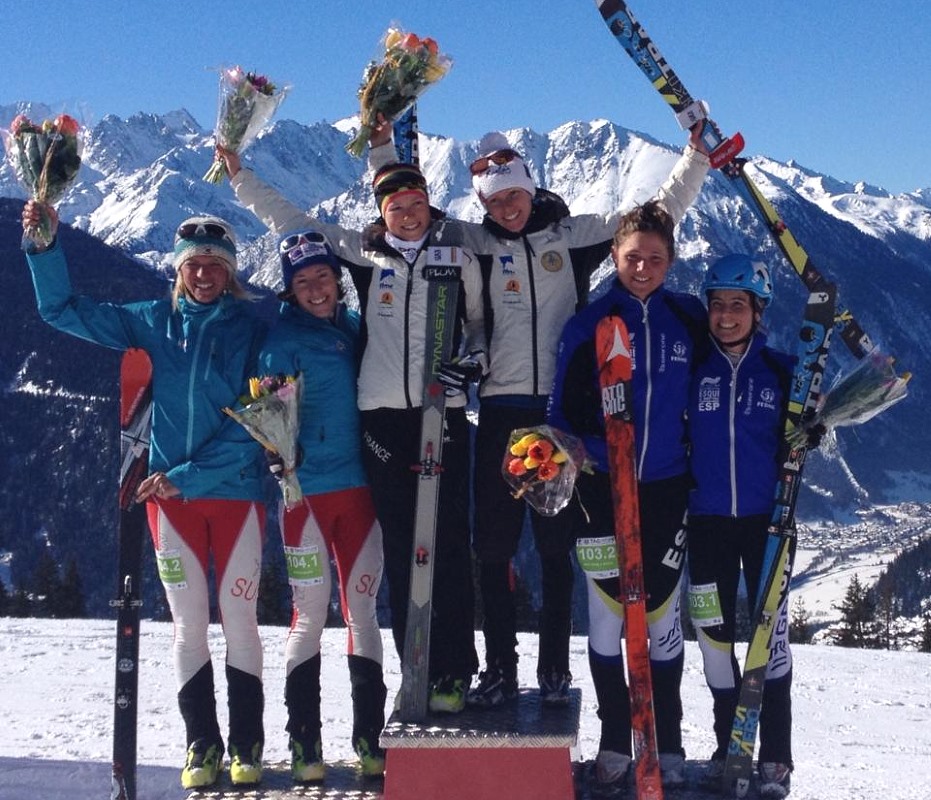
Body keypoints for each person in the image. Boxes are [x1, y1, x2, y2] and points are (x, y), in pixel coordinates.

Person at [368, 123, 709, 710]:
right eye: (495, 200)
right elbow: (403, 206)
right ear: (483, 203)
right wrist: (381, 145)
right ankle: (499, 666)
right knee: (493, 548)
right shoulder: (471, 242)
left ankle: (553, 667)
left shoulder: (572, 237)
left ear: (531, 187)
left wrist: (697, 158)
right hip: (500, 412)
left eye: (514, 195)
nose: (507, 207)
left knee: (556, 548)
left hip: (560, 416)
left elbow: (654, 219)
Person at [215, 145, 482, 713]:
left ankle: (455, 669)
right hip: (382, 419)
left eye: (416, 203)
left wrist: (473, 364)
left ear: (430, 204)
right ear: (380, 211)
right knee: (407, 544)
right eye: (395, 205)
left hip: (444, 414)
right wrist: (240, 177)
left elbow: (483, 325)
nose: (406, 214)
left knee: (453, 543)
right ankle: (420, 666)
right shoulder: (366, 257)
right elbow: (296, 226)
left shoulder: (459, 255)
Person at [21, 203, 268, 790]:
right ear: (178, 269)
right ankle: (201, 745)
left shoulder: (254, 329)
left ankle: (248, 743)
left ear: (230, 271)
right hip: (170, 503)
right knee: (188, 625)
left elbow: (261, 417)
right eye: (194, 264)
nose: (204, 273)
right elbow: (61, 309)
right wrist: (44, 247)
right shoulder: (151, 320)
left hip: (234, 494)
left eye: (215, 264)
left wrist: (189, 473)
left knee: (239, 621)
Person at [547, 200, 707, 793]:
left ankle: (665, 741)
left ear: (670, 261)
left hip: (665, 486)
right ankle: (616, 740)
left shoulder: (688, 318)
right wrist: (583, 451)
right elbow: (559, 414)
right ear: (614, 256)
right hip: (598, 490)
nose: (643, 267)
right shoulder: (586, 325)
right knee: (606, 617)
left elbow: (732, 373)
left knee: (663, 614)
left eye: (655, 258)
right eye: (633, 256)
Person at [258, 231, 387, 781]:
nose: (316, 288)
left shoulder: (356, 329)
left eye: (323, 277)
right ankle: (303, 742)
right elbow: (268, 415)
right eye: (303, 281)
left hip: (360, 490)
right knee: (309, 613)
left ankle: (370, 738)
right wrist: (274, 447)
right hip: (304, 496)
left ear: (338, 280)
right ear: (290, 290)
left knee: (363, 610)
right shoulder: (281, 341)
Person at [686, 254, 795, 798]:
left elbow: (810, 428)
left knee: (771, 642)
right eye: (717, 304)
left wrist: (813, 429)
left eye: (737, 305)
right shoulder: (692, 368)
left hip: (766, 524)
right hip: (705, 524)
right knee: (713, 640)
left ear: (757, 310)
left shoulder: (780, 370)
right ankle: (732, 745)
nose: (726, 316)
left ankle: (775, 757)